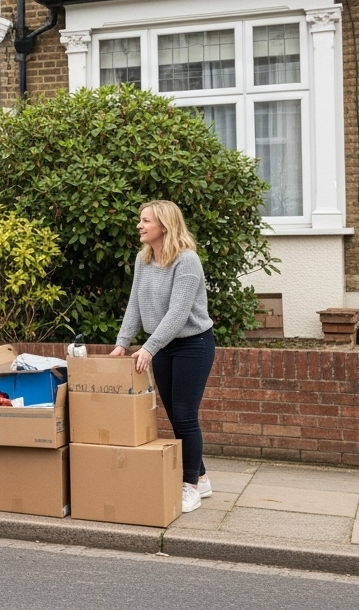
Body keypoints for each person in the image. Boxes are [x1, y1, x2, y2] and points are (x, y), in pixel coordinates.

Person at [109, 200, 215, 514]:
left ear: (164, 226)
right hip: (164, 346)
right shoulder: (144, 260)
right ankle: (203, 478)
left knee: (184, 415)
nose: (139, 225)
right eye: (140, 220)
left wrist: (148, 348)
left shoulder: (187, 260)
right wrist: (122, 343)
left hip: (193, 345)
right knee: (175, 415)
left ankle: (190, 488)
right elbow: (134, 305)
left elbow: (179, 313)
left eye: (145, 221)